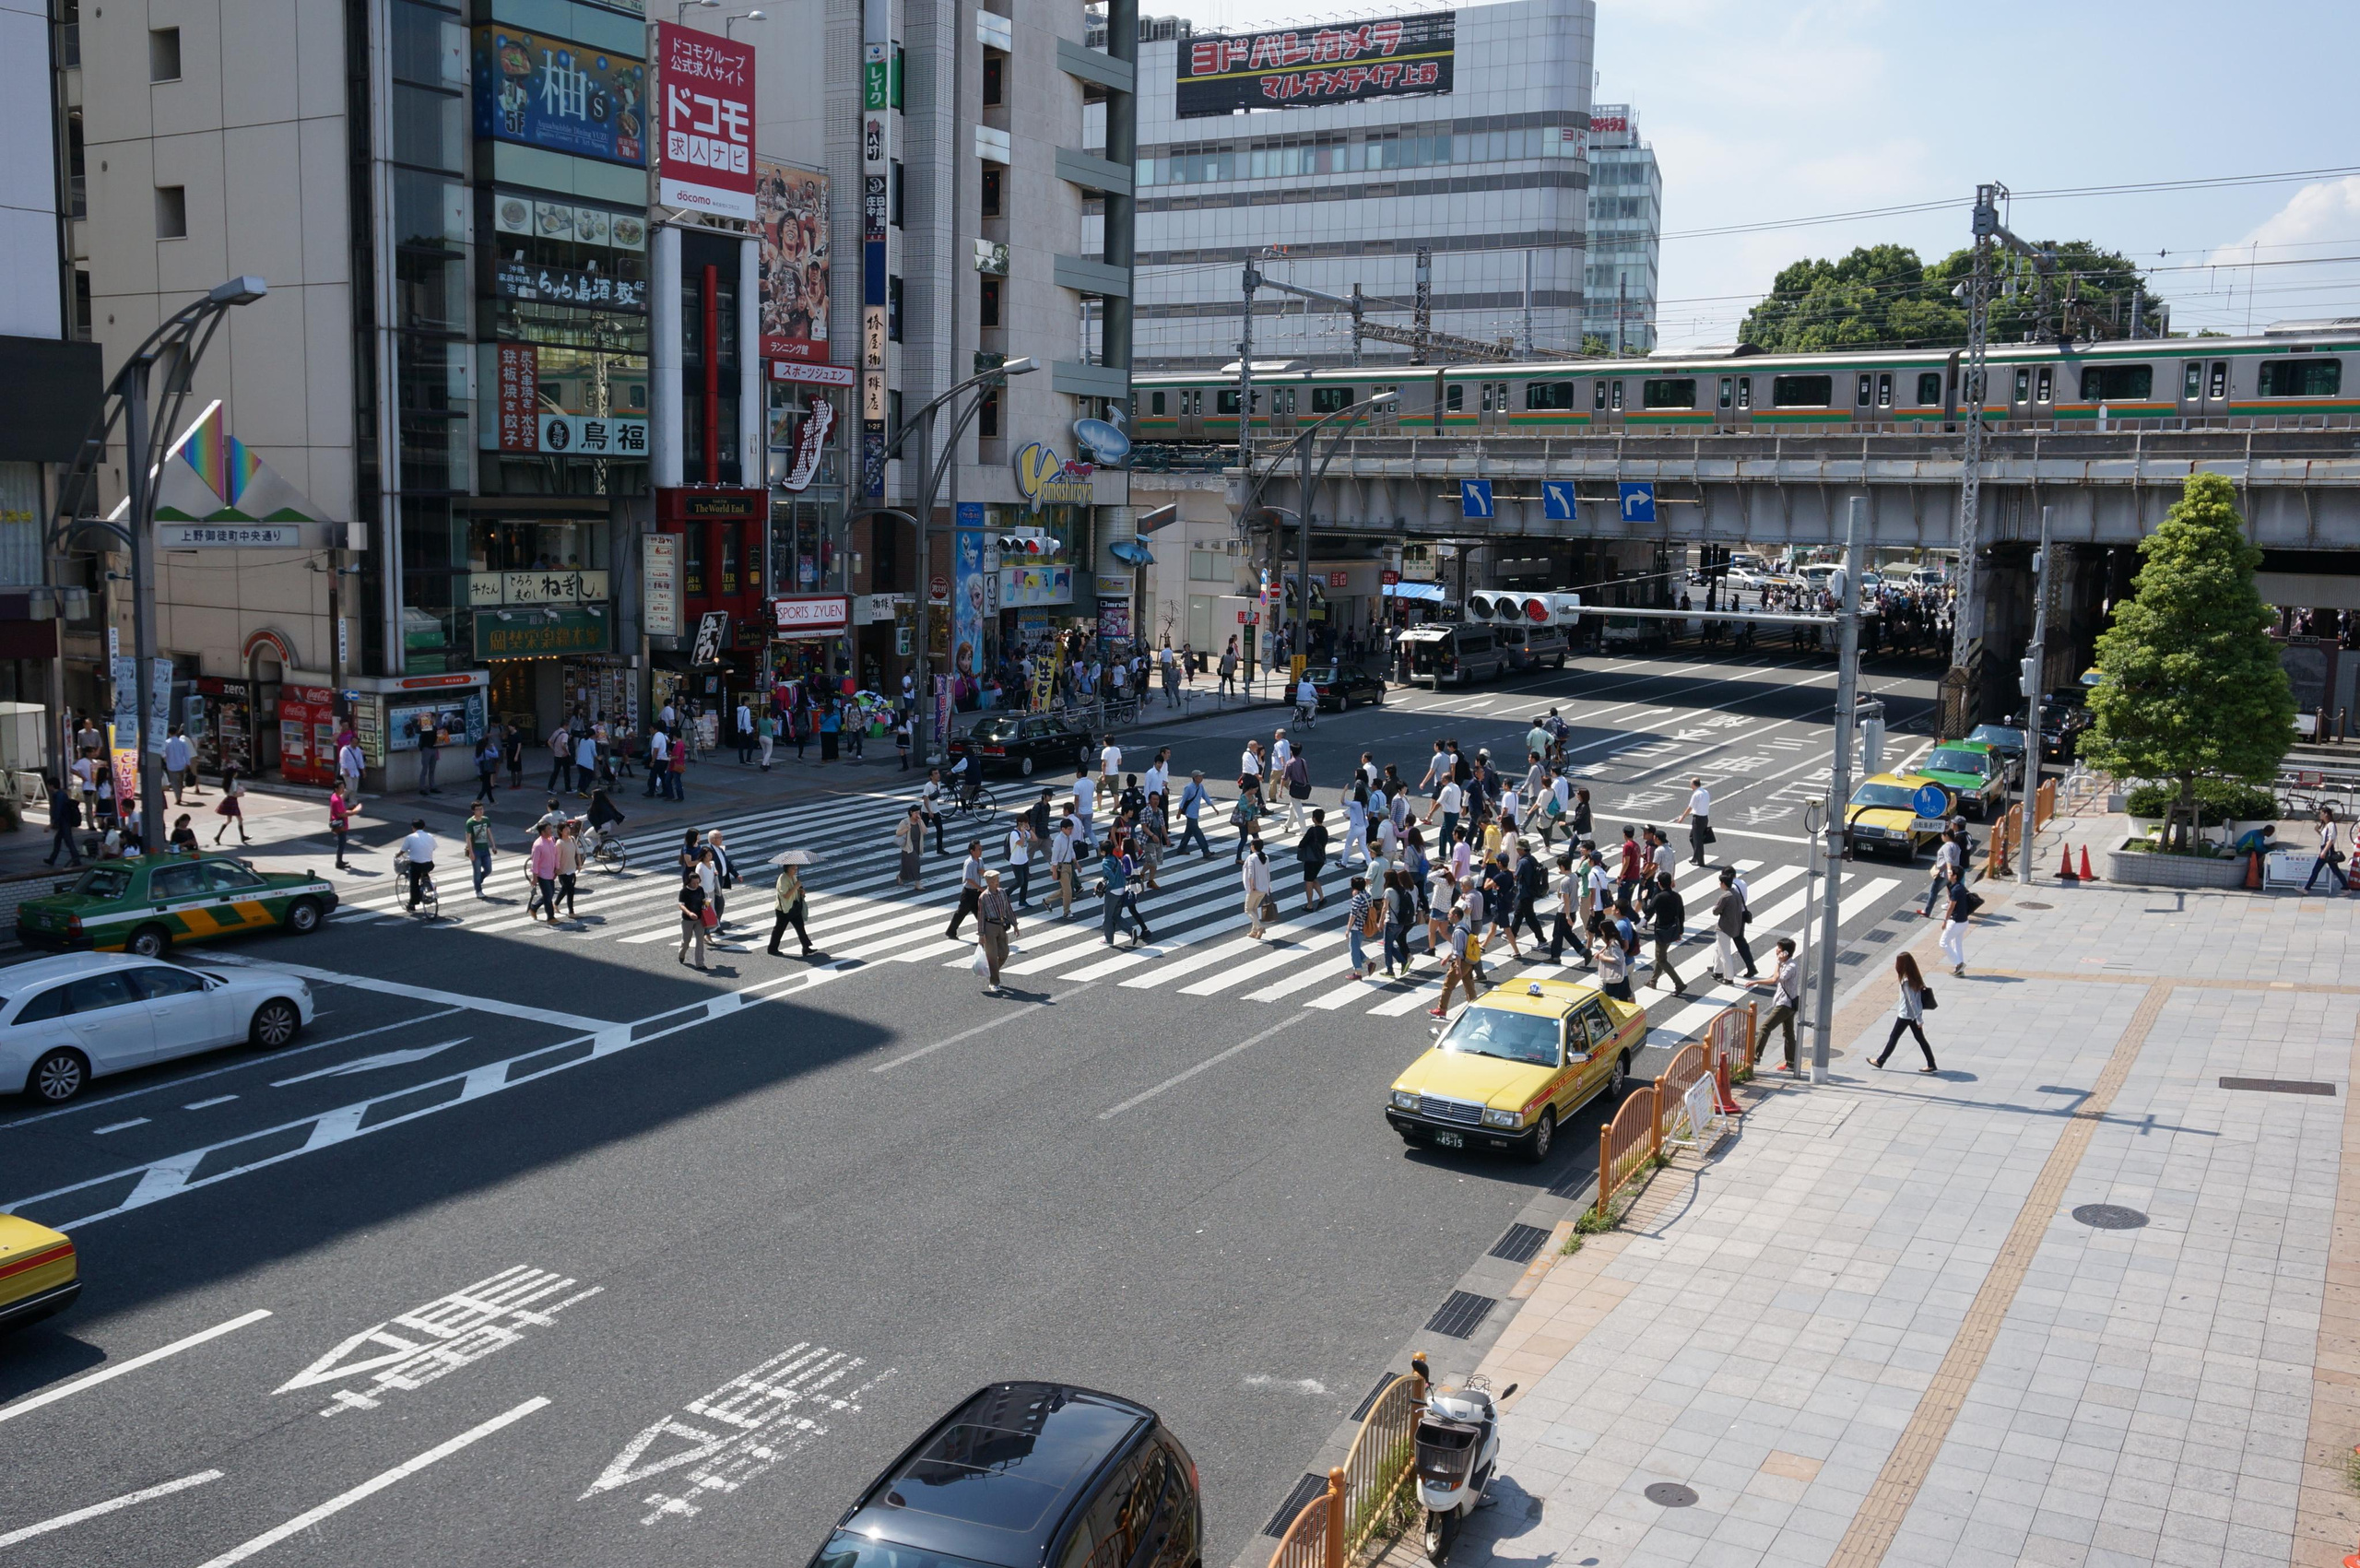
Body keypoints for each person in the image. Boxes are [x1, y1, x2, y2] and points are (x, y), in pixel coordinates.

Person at [1872, 951, 1938, 1071]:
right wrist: (1918, 1016)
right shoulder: (1915, 977)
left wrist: (1918, 1018)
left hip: (1906, 1015)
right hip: (1913, 1015)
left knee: (1894, 1037)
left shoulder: (1906, 980)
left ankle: (1880, 1061)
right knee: (1920, 1039)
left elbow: (1911, 1000)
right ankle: (1931, 1063)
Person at [1760, 938, 1802, 1073]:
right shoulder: (1787, 964)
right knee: (1789, 1033)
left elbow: (1776, 978)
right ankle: (1791, 1062)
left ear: (1785, 951)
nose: (1776, 950)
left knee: (1765, 1027)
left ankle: (1755, 1056)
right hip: (1787, 1003)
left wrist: (1778, 962)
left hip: (1785, 1004)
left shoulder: (1791, 967)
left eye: (1779, 948)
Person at [1644, 871, 1686, 993]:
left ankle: (1679, 983)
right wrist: (1680, 931)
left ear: (1659, 884)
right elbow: (1681, 914)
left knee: (1661, 959)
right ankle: (1653, 981)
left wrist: (1645, 898)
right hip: (1673, 930)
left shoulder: (1659, 897)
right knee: (1661, 956)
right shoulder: (1677, 896)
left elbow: (1647, 911)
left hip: (1662, 931)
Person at [976, 870, 1018, 993]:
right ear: (988, 882)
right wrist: (981, 934)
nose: (997, 882)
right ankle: (994, 982)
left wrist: (1015, 924)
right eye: (994, 881)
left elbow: (1008, 909)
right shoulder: (983, 897)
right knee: (992, 956)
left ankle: (992, 971)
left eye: (997, 880)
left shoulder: (1002, 893)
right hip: (989, 927)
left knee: (1004, 953)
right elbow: (980, 916)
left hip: (1001, 925)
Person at [1711, 867, 1752, 982]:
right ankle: (1717, 971)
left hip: (1724, 926)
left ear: (1724, 883)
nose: (1720, 884)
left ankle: (1729, 978)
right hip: (1736, 923)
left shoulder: (1725, 896)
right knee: (1718, 948)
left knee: (1725, 953)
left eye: (1721, 882)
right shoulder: (1737, 893)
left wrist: (1716, 908)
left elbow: (1716, 911)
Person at [769, 861, 816, 958]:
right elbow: (785, 895)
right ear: (788, 868)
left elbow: (795, 892)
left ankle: (806, 947)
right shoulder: (783, 879)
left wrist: (801, 892)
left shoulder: (793, 877)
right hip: (784, 910)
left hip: (794, 906)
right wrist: (796, 886)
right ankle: (772, 949)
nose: (796, 869)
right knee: (779, 929)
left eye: (796, 868)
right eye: (794, 868)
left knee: (800, 927)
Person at [946, 840, 986, 939]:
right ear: (972, 851)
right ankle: (951, 932)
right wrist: (981, 888)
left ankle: (985, 932)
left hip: (976, 893)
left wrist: (983, 873)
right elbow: (968, 879)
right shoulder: (969, 863)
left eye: (981, 849)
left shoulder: (980, 860)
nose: (981, 851)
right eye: (978, 849)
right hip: (968, 893)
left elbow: (983, 873)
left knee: (981, 913)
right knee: (961, 913)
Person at [1343, 874, 1378, 980]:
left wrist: (1348, 928)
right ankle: (1369, 962)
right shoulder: (1367, 896)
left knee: (1354, 950)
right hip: (1366, 926)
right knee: (1354, 947)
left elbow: (1353, 915)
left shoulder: (1357, 898)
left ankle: (1358, 972)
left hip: (1357, 927)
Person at [1941, 875, 1977, 976]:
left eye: (1950, 873)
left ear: (1955, 876)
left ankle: (1959, 964)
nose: (1948, 874)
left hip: (1956, 922)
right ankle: (1960, 971)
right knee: (1956, 944)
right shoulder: (1959, 887)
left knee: (1943, 943)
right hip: (1964, 921)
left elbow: (1951, 906)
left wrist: (1945, 920)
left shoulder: (1956, 889)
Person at [526, 823, 561, 924]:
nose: (551, 830)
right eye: (549, 829)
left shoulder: (552, 840)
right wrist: (534, 877)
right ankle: (550, 917)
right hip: (542, 874)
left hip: (551, 872)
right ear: (543, 832)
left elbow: (555, 855)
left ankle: (534, 907)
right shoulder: (538, 845)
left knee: (549, 894)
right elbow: (535, 862)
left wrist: (557, 868)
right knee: (548, 895)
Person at [2306, 808, 2348, 891]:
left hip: (2328, 851)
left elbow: (2330, 840)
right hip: (2326, 850)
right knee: (2335, 871)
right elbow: (2324, 837)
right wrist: (2317, 831)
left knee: (2316, 870)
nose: (2320, 815)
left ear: (2326, 814)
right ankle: (2346, 888)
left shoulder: (2331, 825)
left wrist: (2324, 851)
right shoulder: (2327, 825)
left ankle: (2307, 888)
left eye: (2321, 813)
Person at [399, 819, 437, 911]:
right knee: (424, 871)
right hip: (429, 864)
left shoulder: (410, 837)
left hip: (416, 865)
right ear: (423, 827)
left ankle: (413, 903)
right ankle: (428, 884)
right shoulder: (430, 836)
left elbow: (403, 850)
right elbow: (434, 847)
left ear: (413, 827)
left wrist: (398, 855)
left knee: (414, 883)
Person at [1297, 807, 1330, 910]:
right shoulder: (1325, 830)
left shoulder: (1312, 830)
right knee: (1313, 878)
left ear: (1314, 818)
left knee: (1308, 881)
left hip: (1311, 859)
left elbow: (1302, 844)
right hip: (1320, 858)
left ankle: (1310, 905)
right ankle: (1321, 898)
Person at [678, 866, 710, 969]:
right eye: (694, 883)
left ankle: (700, 963)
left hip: (699, 919)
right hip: (687, 920)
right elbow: (681, 905)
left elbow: (704, 901)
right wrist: (689, 913)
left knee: (700, 940)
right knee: (686, 941)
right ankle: (682, 953)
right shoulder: (684, 892)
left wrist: (707, 905)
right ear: (689, 882)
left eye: (697, 882)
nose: (696, 885)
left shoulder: (700, 889)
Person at [1676, 777, 1713, 867]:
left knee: (1697, 840)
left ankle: (1700, 860)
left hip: (1698, 819)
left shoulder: (1696, 794)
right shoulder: (1705, 792)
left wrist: (1682, 817)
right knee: (1693, 837)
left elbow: (1690, 807)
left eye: (1691, 784)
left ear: (1693, 784)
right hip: (1704, 818)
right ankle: (1696, 857)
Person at [43, 783, 82, 868]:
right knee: (58, 840)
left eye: (49, 785)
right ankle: (52, 859)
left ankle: (76, 860)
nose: (48, 787)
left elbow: (58, 810)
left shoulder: (59, 796)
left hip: (64, 821)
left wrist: (52, 824)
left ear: (52, 785)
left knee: (69, 842)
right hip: (64, 821)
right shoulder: (61, 794)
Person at [1177, 771, 1213, 858]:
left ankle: (1181, 849)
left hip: (1195, 813)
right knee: (1198, 833)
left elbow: (1205, 796)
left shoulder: (1200, 786)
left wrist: (1213, 806)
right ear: (1195, 778)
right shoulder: (1189, 788)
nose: (1202, 778)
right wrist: (1179, 812)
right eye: (1200, 776)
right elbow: (1183, 800)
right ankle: (1205, 850)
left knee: (1188, 832)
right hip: (1190, 813)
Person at [1242, 842, 1273, 939]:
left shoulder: (1252, 857)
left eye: (1251, 845)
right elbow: (1268, 872)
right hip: (1264, 888)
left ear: (1254, 847)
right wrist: (1268, 886)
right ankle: (1254, 931)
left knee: (1248, 909)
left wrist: (1252, 886)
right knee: (1254, 909)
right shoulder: (1266, 857)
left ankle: (1259, 927)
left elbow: (1250, 873)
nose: (1251, 847)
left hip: (1255, 888)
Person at [212, 762, 249, 844]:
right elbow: (235, 794)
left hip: (228, 800)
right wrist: (241, 794)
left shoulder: (227, 781)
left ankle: (218, 836)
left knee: (229, 820)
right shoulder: (234, 782)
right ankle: (242, 836)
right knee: (239, 819)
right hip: (233, 800)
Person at [555, 822, 583, 918]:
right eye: (565, 829)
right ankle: (571, 912)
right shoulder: (559, 843)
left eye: (568, 828)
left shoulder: (572, 839)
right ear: (560, 831)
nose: (568, 830)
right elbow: (557, 858)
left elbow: (577, 852)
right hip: (563, 870)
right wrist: (556, 870)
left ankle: (555, 904)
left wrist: (579, 864)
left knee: (564, 889)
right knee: (570, 890)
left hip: (572, 867)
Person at [163, 726, 194, 807]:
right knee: (180, 782)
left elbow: (163, 753)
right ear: (176, 732)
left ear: (169, 733)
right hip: (181, 764)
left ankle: (177, 797)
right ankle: (179, 795)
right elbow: (186, 753)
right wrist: (188, 763)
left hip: (171, 765)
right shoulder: (182, 742)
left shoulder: (166, 743)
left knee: (174, 782)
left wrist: (165, 759)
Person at [416, 711, 442, 795]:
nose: (433, 719)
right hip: (426, 749)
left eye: (433, 718)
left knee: (432, 769)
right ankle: (422, 788)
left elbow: (439, 739)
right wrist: (419, 721)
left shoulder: (435, 727)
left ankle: (432, 786)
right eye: (431, 718)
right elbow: (418, 730)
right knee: (425, 769)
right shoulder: (425, 727)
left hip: (434, 749)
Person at [574, 727, 599, 799]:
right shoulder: (591, 742)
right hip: (587, 763)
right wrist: (598, 758)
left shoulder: (582, 740)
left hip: (579, 762)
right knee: (590, 777)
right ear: (592, 735)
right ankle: (583, 790)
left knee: (583, 776)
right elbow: (594, 753)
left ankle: (580, 788)